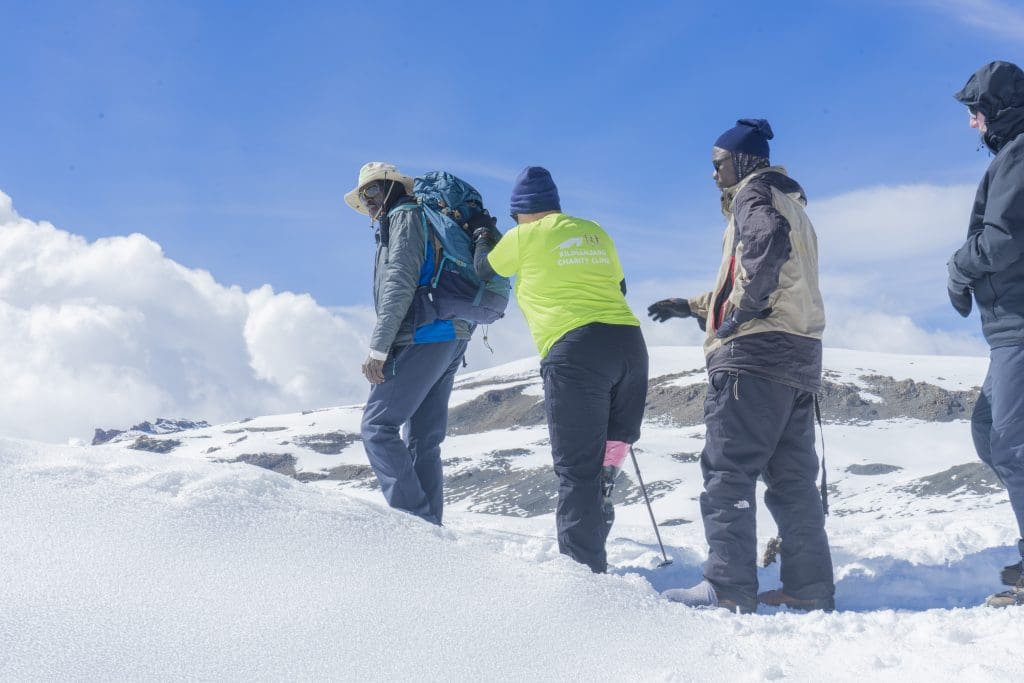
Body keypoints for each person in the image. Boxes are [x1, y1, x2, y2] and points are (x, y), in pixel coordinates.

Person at [649, 119, 834, 613]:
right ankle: (808, 587)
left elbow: (765, 253)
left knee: (728, 470)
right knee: (792, 480)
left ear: (743, 161)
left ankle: (727, 587)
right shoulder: (788, 202)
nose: (713, 175)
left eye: (718, 164)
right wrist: (693, 305)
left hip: (752, 358)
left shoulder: (754, 198)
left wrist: (739, 315)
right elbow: (772, 275)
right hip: (798, 356)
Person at [473, 166, 648, 574]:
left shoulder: (523, 236)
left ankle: (581, 577)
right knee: (609, 451)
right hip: (628, 346)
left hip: (575, 350)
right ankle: (600, 501)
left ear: (521, 212)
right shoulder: (594, 230)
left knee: (576, 468)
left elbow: (486, 270)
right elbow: (619, 286)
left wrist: (484, 237)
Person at [345, 161, 479, 525]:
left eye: (373, 191)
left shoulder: (404, 216)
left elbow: (399, 283)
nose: (369, 202)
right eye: (364, 196)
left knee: (377, 427)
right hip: (453, 335)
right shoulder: (425, 218)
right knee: (423, 438)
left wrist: (379, 348)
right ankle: (430, 531)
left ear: (393, 186)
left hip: (424, 333)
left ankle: (413, 525)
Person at [948, 61, 1024, 608]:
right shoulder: (1011, 156)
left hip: (1020, 326)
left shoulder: (1019, 155)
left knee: (1011, 444)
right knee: (987, 432)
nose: (973, 124)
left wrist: (957, 266)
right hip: (1007, 330)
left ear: (996, 108)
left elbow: (1001, 240)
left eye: (977, 112)